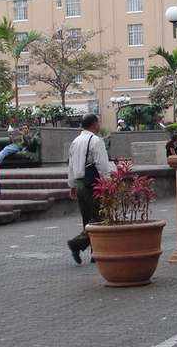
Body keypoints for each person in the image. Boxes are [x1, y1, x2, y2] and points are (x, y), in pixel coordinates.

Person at [66, 113, 114, 264]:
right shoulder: (95, 140)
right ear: (94, 124)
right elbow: (102, 165)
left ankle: (95, 252)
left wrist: (72, 185)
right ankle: (78, 244)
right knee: (99, 217)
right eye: (98, 122)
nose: (99, 125)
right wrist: (107, 184)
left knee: (87, 218)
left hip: (80, 183)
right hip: (93, 183)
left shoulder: (75, 141)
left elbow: (71, 165)